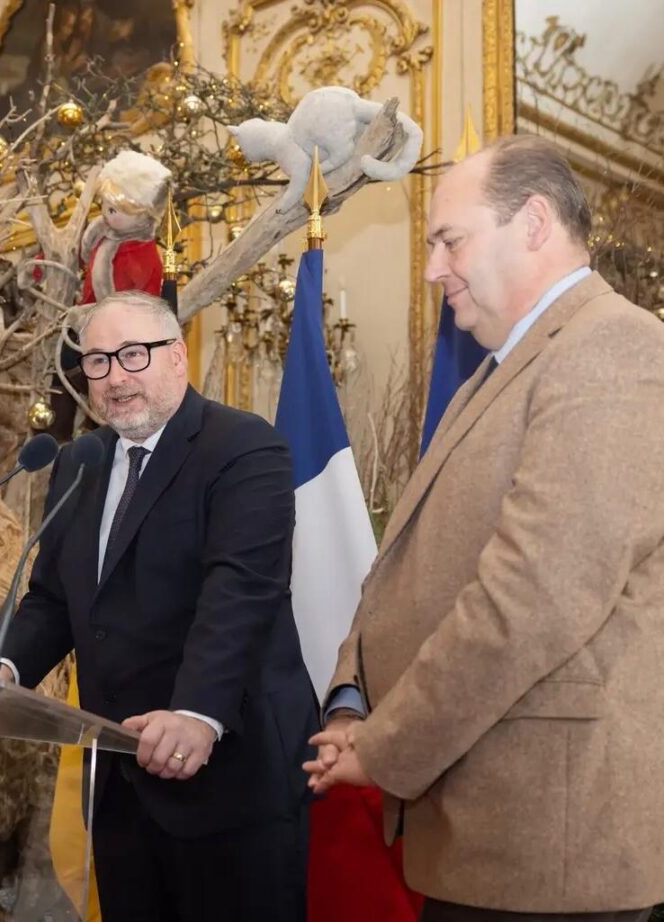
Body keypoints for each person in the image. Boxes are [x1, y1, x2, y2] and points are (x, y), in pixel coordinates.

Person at [305, 135, 664, 921]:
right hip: (484, 836)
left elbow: (532, 597)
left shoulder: (611, 350)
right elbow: (408, 568)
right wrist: (352, 702)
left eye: (449, 239)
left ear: (533, 222)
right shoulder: (505, 367)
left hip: (549, 850)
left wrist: (385, 746)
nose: (434, 269)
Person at [0, 290, 319, 922]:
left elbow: (240, 591)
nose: (114, 377)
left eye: (133, 355)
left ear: (177, 357)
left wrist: (197, 713)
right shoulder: (80, 461)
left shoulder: (244, 447)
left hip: (229, 772)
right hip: (121, 775)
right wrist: (0, 675)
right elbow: (53, 598)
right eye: (96, 362)